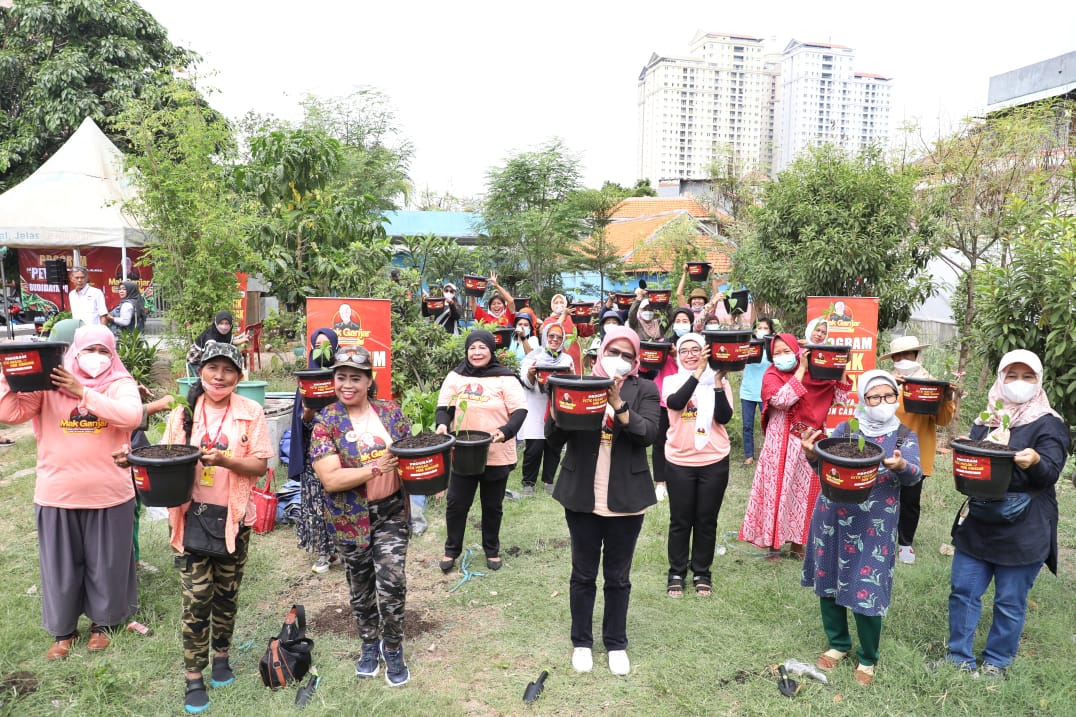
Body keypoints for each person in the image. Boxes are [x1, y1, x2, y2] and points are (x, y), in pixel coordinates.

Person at [134, 341, 272, 713]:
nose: (219, 376)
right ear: (200, 371)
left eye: (228, 370)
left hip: (233, 517)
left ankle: (222, 656)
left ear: (239, 376)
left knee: (226, 595)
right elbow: (164, 456)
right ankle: (193, 677)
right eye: (213, 368)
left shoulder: (250, 411)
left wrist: (225, 460)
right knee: (197, 599)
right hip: (190, 515)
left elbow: (259, 465)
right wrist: (130, 460)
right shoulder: (184, 413)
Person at [0, 326, 142, 661]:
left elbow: (131, 416)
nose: (96, 357)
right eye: (88, 349)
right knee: (61, 568)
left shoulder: (120, 383)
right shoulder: (50, 383)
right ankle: (64, 632)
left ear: (112, 353)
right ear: (74, 351)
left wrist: (83, 392)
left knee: (107, 565)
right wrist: (8, 373)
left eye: (103, 350)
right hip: (57, 493)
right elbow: (10, 413)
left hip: (110, 494)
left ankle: (102, 626)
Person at [932, 350, 1069, 677]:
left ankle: (996, 661)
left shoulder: (1048, 423)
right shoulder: (989, 418)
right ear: (1000, 378)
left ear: (1038, 382)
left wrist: (1034, 461)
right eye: (1011, 375)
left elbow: (1050, 473)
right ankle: (958, 658)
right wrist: (967, 449)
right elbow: (974, 469)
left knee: (1009, 601)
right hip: (980, 521)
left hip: (1025, 527)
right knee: (964, 591)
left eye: (1027, 377)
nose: (1018, 383)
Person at [548, 326, 660, 676]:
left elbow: (647, 434)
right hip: (582, 493)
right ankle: (582, 642)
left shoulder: (646, 389)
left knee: (618, 576)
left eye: (628, 355)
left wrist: (618, 404)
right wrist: (559, 407)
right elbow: (554, 437)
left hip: (627, 498)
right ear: (601, 353)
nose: (621, 360)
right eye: (615, 352)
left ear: (636, 359)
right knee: (582, 573)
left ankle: (615, 642)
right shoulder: (580, 384)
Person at [800, 370, 923, 686]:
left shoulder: (903, 436)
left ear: (897, 398)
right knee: (828, 580)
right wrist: (811, 454)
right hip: (833, 517)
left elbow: (914, 475)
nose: (882, 403)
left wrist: (901, 466)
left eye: (889, 396)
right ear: (863, 399)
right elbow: (824, 467)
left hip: (873, 524)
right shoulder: (846, 429)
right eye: (874, 397)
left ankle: (868, 657)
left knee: (866, 586)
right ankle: (838, 643)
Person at [310, 345, 413, 687]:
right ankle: (370, 643)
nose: (348, 384)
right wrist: (374, 469)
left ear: (370, 380)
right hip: (350, 516)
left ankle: (393, 646)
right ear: (334, 380)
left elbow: (412, 456)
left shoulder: (391, 412)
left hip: (390, 512)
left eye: (356, 377)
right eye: (341, 377)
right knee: (361, 586)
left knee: (392, 581)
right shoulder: (327, 420)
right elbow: (331, 478)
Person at [739, 333, 851, 558]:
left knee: (805, 491)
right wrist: (800, 370)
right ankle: (773, 544)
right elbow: (781, 400)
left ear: (797, 351)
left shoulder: (817, 375)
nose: (782, 356)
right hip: (779, 442)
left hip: (809, 442)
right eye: (777, 353)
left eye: (786, 351)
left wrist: (840, 368)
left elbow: (841, 397)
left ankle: (798, 544)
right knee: (776, 490)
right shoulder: (771, 374)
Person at [436, 330, 527, 572]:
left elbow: (519, 411)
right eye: (472, 348)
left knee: (492, 505)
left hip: (496, 452)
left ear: (491, 350)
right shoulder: (456, 376)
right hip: (463, 452)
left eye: (482, 348)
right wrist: (442, 424)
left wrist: (506, 431)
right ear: (466, 351)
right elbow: (444, 407)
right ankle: (451, 550)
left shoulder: (505, 378)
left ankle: (492, 550)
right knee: (456, 504)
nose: (477, 352)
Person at [661, 332, 733, 598]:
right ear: (678, 355)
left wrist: (715, 380)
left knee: (706, 520)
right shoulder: (671, 381)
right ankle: (676, 571)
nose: (690, 355)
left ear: (705, 351)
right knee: (680, 520)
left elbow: (724, 417)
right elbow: (676, 403)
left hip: (714, 459)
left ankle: (702, 571)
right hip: (680, 459)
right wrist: (698, 372)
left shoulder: (719, 381)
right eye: (685, 351)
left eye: (696, 350)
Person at [880, 335, 956, 564]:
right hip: (887, 445)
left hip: (918, 451)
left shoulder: (932, 385)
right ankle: (881, 537)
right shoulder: (886, 382)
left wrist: (947, 397)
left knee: (910, 499)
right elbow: (871, 408)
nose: (903, 359)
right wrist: (890, 386)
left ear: (916, 356)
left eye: (907, 354)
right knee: (883, 494)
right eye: (898, 356)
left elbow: (942, 420)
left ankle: (905, 544)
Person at [289, 328, 341, 573]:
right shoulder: (307, 378)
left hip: (341, 452)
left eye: (327, 345)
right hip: (315, 454)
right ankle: (323, 553)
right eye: (318, 345)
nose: (323, 350)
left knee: (341, 501)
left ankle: (341, 550)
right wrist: (309, 407)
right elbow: (303, 421)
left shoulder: (342, 377)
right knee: (317, 504)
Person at [519, 322, 574, 495]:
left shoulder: (566, 359)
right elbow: (526, 384)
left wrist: (571, 375)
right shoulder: (532, 357)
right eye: (551, 336)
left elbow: (573, 384)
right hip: (535, 406)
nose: (555, 340)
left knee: (554, 445)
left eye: (559, 337)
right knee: (534, 447)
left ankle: (548, 481)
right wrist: (531, 373)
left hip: (556, 408)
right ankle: (528, 482)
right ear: (545, 337)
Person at [740, 317, 775, 466]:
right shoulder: (748, 345)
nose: (761, 330)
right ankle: (749, 455)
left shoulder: (773, 348)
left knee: (768, 425)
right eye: (759, 328)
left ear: (771, 331)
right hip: (747, 392)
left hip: (765, 392)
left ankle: (770, 454)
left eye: (765, 328)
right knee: (747, 425)